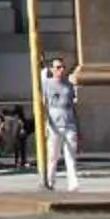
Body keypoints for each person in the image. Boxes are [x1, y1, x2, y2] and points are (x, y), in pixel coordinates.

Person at [40, 57, 81, 191]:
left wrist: (78, 126)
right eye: (58, 67)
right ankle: (50, 181)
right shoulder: (47, 84)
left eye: (63, 67)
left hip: (69, 123)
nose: (61, 70)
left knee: (71, 155)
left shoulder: (68, 85)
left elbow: (73, 106)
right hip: (54, 125)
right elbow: (43, 102)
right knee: (53, 156)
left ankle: (73, 183)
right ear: (52, 69)